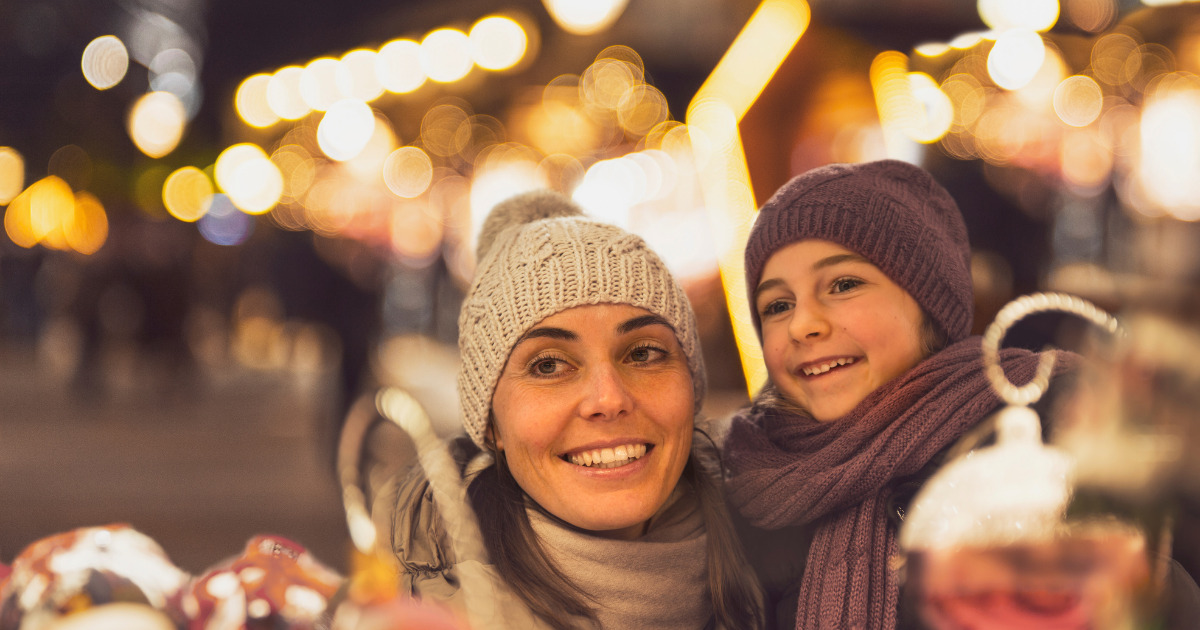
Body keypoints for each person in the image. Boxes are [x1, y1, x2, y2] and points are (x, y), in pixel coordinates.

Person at [720, 160, 1199, 629]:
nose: (803, 324)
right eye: (777, 305)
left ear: (929, 300)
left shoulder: (1065, 436)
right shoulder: (742, 486)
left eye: (844, 284)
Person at [372, 189, 764, 629]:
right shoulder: (418, 615)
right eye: (549, 365)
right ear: (492, 423)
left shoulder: (787, 560)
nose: (609, 399)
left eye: (643, 354)